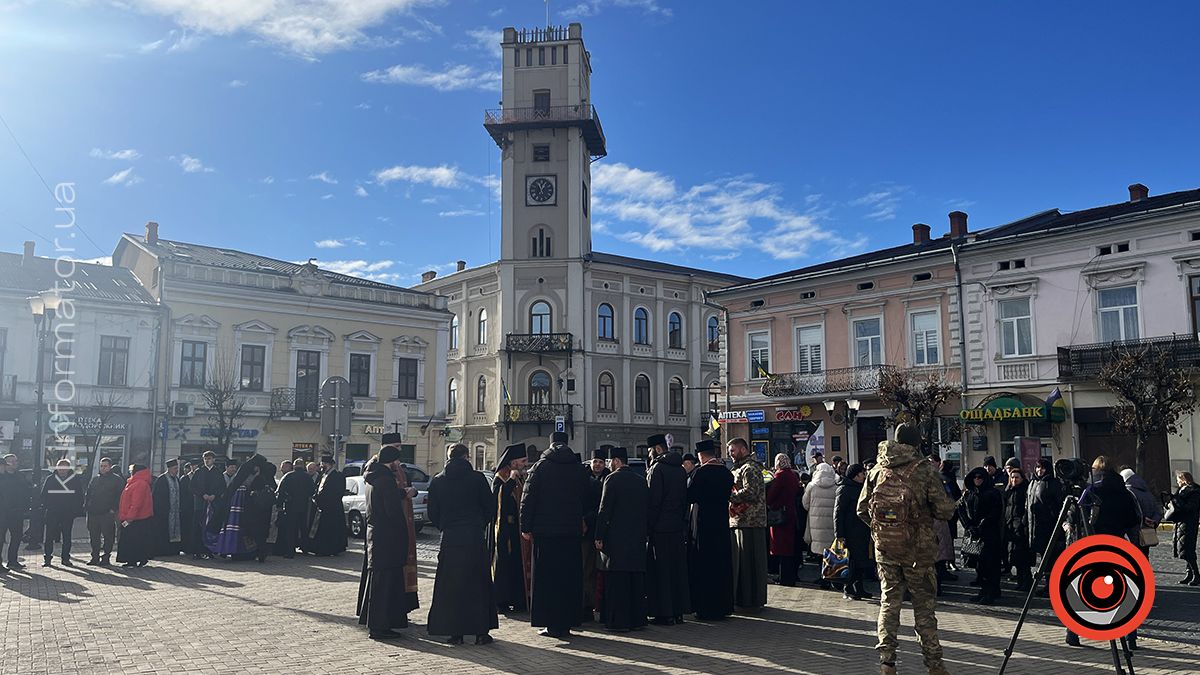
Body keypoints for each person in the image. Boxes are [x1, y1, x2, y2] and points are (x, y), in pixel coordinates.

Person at [857, 423, 957, 675]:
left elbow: (861, 508)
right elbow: (943, 510)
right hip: (918, 551)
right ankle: (934, 664)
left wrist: (884, 529)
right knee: (924, 606)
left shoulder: (878, 469)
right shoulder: (924, 470)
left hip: (886, 549)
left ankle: (887, 662)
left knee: (889, 602)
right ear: (916, 444)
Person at [520, 431, 589, 639]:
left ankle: (550, 623)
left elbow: (527, 498)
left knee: (546, 579)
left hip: (545, 533)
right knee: (569, 578)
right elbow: (587, 496)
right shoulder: (577, 468)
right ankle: (567, 622)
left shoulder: (540, 467)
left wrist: (526, 526)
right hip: (570, 532)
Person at [427, 444, 498, 645]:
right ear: (467, 457)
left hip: (450, 538)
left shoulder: (439, 480)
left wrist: (445, 526)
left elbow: (433, 512)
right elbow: (489, 507)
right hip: (474, 537)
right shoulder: (477, 479)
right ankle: (481, 632)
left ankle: (454, 632)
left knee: (451, 586)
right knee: (479, 584)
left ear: (449, 457)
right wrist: (478, 524)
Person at [1066, 455, 1141, 647]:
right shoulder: (1124, 493)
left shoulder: (1090, 490)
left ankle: (1073, 633)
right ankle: (1130, 636)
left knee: (1081, 589)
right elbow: (1133, 520)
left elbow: (1074, 517)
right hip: (1116, 544)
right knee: (1123, 593)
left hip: (1091, 544)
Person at [357, 446, 415, 640]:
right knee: (385, 585)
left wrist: (400, 493)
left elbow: (384, 498)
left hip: (376, 536)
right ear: (391, 460)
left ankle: (380, 624)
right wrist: (403, 532)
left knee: (380, 583)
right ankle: (380, 627)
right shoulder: (387, 479)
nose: (398, 464)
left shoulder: (373, 477)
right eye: (397, 461)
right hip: (388, 538)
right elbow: (391, 510)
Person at [594, 446, 649, 632]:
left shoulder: (612, 479)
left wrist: (599, 535)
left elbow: (604, 510)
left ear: (616, 461)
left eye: (610, 461)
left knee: (617, 581)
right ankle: (638, 619)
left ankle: (619, 621)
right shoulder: (641, 480)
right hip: (637, 536)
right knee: (635, 579)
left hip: (616, 538)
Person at [645, 433, 690, 625]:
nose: (648, 456)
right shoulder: (680, 469)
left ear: (657, 449)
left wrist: (649, 526)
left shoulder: (658, 469)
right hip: (676, 526)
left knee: (661, 570)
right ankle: (679, 611)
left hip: (660, 528)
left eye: (649, 451)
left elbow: (653, 502)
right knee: (677, 569)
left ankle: (664, 613)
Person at [687, 439, 734, 620]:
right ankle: (723, 605)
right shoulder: (726, 473)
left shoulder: (700, 473)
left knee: (704, 564)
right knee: (721, 563)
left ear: (701, 455)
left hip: (703, 522)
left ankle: (706, 607)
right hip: (721, 522)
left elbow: (691, 496)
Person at [727, 437, 768, 609]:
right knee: (743, 564)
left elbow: (752, 492)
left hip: (751, 521)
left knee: (751, 563)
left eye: (733, 451)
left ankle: (751, 599)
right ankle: (744, 598)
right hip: (741, 520)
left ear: (742, 450)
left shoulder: (750, 468)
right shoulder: (741, 468)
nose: (731, 455)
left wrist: (729, 495)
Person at [490, 444, 529, 613]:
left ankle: (518, 599)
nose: (525, 464)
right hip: (504, 529)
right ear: (513, 462)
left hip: (517, 529)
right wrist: (511, 481)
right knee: (504, 564)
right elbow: (498, 501)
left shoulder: (520, 477)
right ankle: (501, 600)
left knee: (517, 565)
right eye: (523, 461)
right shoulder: (501, 477)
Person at [960, 466, 1004, 604]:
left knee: (991, 564)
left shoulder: (992, 493)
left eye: (980, 477)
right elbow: (961, 509)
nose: (977, 480)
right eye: (975, 477)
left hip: (989, 533)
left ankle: (991, 591)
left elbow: (995, 512)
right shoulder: (969, 493)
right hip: (974, 533)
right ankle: (984, 590)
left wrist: (981, 526)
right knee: (980, 565)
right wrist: (968, 526)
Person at [208, 455, 266, 559]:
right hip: (241, 502)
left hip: (237, 501)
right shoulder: (249, 475)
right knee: (239, 526)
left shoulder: (245, 471)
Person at [1026, 457, 1066, 596]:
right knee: (1043, 558)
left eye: (1042, 468)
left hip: (1049, 527)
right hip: (1036, 527)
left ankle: (1052, 586)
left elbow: (1058, 505)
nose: (1039, 470)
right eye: (1037, 467)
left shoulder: (1052, 483)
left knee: (1052, 558)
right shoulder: (1033, 483)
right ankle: (1047, 585)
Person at [835, 463, 871, 600]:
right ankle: (848, 588)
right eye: (862, 474)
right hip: (849, 532)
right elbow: (838, 513)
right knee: (851, 561)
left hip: (861, 530)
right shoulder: (844, 489)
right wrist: (839, 535)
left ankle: (859, 588)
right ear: (855, 475)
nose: (864, 476)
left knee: (861, 561)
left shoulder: (862, 488)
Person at [39, 459, 84, 567]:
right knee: (49, 536)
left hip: (67, 513)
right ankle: (47, 559)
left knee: (67, 536)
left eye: (64, 468)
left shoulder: (74, 480)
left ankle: (65, 558)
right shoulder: (50, 479)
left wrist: (75, 511)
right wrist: (46, 507)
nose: (62, 470)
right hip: (52, 513)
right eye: (60, 467)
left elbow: (79, 496)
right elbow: (43, 495)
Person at [582, 447, 609, 622]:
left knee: (598, 570)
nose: (597, 465)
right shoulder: (584, 480)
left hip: (598, 531)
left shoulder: (608, 479)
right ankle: (587, 605)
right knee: (586, 569)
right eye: (595, 462)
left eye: (600, 462)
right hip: (585, 531)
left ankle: (597, 604)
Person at [766, 453, 800, 587]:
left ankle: (784, 577)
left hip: (779, 514)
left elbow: (771, 496)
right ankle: (790, 576)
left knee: (781, 547)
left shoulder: (780, 476)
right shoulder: (792, 475)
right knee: (789, 547)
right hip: (790, 513)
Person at [304, 455, 347, 556]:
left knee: (332, 529)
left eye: (324, 464)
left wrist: (323, 499)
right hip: (323, 507)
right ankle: (321, 548)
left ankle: (331, 549)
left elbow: (337, 492)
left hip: (332, 507)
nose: (322, 466)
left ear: (330, 465)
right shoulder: (323, 475)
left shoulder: (338, 476)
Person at [803, 462, 837, 587]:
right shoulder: (836, 486)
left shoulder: (812, 486)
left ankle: (823, 577)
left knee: (819, 551)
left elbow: (805, 504)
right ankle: (832, 576)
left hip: (815, 522)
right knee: (831, 549)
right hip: (831, 522)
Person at [83, 457, 123, 566]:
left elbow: (120, 496)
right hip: (93, 513)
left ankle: (106, 557)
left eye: (105, 466)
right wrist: (87, 507)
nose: (103, 468)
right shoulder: (95, 479)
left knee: (108, 536)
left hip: (107, 514)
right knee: (94, 536)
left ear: (110, 467)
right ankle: (94, 557)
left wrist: (113, 509)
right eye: (101, 466)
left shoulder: (117, 480)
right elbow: (88, 493)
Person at [116, 464, 155, 568]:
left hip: (136, 519)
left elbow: (136, 503)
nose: (130, 472)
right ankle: (133, 560)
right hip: (135, 518)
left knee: (134, 540)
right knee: (135, 540)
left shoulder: (139, 484)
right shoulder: (136, 482)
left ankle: (136, 559)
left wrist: (129, 518)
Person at [1120, 467, 1163, 558]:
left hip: (1135, 530)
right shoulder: (1147, 492)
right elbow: (1157, 511)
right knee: (1144, 556)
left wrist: (1142, 519)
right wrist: (1154, 521)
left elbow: (1132, 512)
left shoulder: (1128, 492)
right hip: (1148, 531)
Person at [275, 459, 314, 558]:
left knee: (291, 529)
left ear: (294, 466)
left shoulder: (288, 476)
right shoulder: (308, 477)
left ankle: (290, 551)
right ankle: (305, 548)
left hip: (290, 506)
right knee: (303, 528)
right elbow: (312, 491)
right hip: (304, 506)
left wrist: (279, 505)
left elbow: (281, 492)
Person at [190, 451, 225, 560]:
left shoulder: (218, 472)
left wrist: (215, 495)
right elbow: (192, 487)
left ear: (214, 459)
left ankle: (209, 550)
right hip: (200, 504)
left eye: (209, 458)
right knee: (198, 527)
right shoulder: (199, 472)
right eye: (205, 459)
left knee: (211, 528)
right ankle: (197, 551)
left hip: (214, 504)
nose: (207, 461)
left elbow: (222, 486)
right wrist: (202, 494)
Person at [1003, 468, 1034, 592]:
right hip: (1010, 526)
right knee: (1015, 556)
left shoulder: (1025, 490)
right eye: (1012, 477)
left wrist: (1022, 523)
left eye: (1017, 477)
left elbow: (1027, 509)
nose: (1014, 480)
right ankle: (1021, 580)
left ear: (1022, 478)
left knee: (1023, 557)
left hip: (1021, 527)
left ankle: (1027, 581)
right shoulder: (1009, 490)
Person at [152, 458, 190, 557]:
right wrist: (162, 509)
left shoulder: (177, 479)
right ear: (169, 469)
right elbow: (157, 497)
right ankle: (162, 550)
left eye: (177, 468)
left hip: (175, 511)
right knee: (163, 531)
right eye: (174, 468)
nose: (176, 470)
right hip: (164, 512)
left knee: (175, 530)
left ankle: (173, 550)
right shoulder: (162, 479)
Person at [0, 455, 31, 572]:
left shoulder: (20, 476)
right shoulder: (2, 477)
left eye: (16, 461)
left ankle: (12, 561)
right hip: (2, 513)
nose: (14, 463)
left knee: (17, 537)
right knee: (0, 539)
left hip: (17, 513)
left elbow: (26, 492)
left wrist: (25, 506)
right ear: (5, 464)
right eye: (11, 461)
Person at [1171, 471, 1200, 586]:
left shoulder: (1194, 492)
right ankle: (1189, 574)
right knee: (1184, 549)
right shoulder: (1181, 491)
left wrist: (1176, 501)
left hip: (1189, 523)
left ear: (1183, 479)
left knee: (1188, 550)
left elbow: (1190, 507)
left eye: (1178, 479)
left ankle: (1196, 575)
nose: (1177, 482)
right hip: (1181, 523)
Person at [246, 462, 277, 563]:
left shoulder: (258, 478)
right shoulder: (270, 480)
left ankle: (257, 551)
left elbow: (251, 490)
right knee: (264, 531)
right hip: (267, 510)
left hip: (256, 510)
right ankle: (263, 551)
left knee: (256, 531)